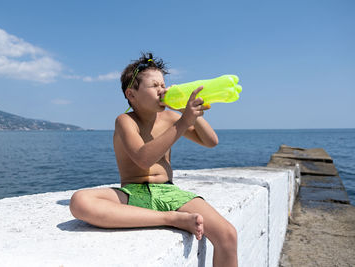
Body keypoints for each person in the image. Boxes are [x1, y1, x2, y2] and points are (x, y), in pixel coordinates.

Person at [69, 53, 238, 267]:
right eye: (155, 85)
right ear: (132, 94)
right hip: (133, 192)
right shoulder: (125, 121)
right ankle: (171, 218)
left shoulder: (172, 118)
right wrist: (184, 121)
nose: (163, 90)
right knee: (80, 201)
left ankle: (172, 215)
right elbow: (143, 159)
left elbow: (211, 141)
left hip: (169, 191)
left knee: (228, 235)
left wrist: (192, 114)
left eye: (164, 85)